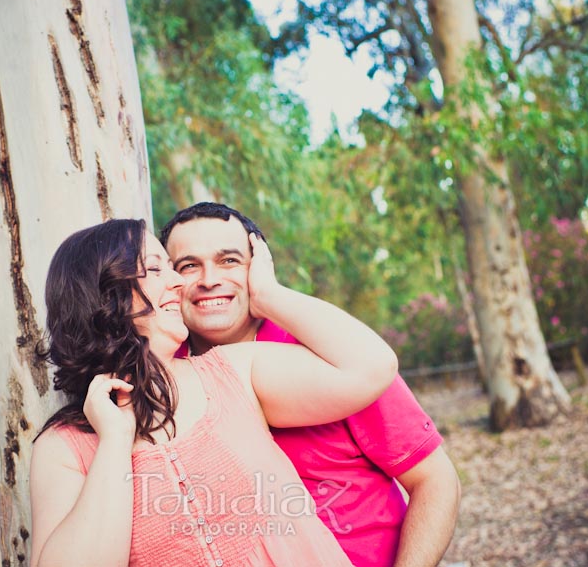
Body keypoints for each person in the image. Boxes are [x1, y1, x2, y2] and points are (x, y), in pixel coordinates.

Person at [29, 218, 399, 567]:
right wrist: (113, 441)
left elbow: (371, 367)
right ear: (104, 295)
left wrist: (268, 295)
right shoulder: (64, 446)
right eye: (157, 269)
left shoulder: (233, 372)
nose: (179, 282)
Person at [160, 202, 461, 567]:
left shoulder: (336, 355)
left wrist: (268, 296)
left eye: (229, 261)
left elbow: (435, 479)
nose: (209, 279)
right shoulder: (165, 373)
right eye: (189, 266)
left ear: (259, 266)